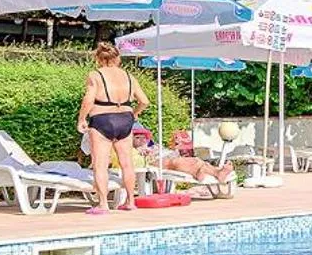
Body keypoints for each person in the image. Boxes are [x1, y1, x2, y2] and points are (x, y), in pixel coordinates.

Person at [77, 42, 149, 216]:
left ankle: (103, 204)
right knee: (127, 164)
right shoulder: (129, 77)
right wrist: (135, 114)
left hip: (102, 119)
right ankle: (130, 201)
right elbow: (145, 101)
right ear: (118, 58)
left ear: (98, 59)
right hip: (125, 119)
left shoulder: (95, 75)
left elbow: (89, 99)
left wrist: (81, 119)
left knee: (100, 165)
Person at [163, 129, 235, 187]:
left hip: (172, 159)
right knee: (196, 164)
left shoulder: (159, 151)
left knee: (198, 162)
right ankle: (216, 172)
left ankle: (217, 171)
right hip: (170, 161)